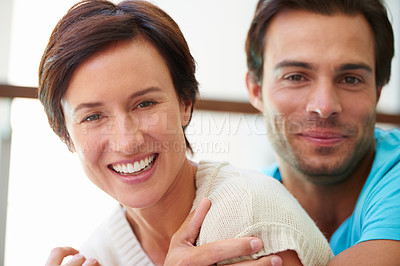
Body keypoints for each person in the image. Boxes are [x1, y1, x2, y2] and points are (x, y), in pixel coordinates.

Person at [39, 0, 333, 265]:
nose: (127, 142)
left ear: (185, 103)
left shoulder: (247, 213)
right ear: (66, 135)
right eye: (93, 116)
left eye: (145, 103)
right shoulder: (97, 254)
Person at [167, 0, 400, 265]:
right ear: (256, 89)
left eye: (351, 79)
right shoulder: (242, 198)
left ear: (378, 91)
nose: (324, 107)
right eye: (296, 77)